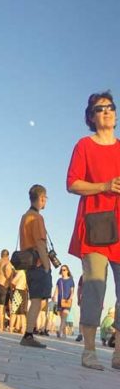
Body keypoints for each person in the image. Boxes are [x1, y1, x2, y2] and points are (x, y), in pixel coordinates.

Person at [67, 90, 120, 370]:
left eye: (110, 107)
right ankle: (89, 351)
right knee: (96, 288)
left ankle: (118, 354)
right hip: (96, 225)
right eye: (100, 109)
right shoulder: (84, 146)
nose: (107, 112)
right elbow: (72, 183)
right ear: (91, 117)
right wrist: (104, 186)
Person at [16, 184, 54, 347]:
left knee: (35, 299)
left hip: (28, 263)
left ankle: (29, 333)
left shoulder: (25, 216)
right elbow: (40, 242)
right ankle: (28, 335)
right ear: (42, 197)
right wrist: (46, 265)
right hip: (38, 262)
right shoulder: (37, 218)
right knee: (38, 300)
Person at [54, 265, 75, 338]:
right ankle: (64, 334)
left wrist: (70, 298)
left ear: (67, 271)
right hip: (60, 301)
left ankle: (59, 332)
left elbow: (72, 291)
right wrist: (54, 297)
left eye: (64, 270)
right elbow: (56, 290)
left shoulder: (71, 280)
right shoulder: (59, 280)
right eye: (62, 270)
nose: (63, 271)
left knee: (64, 317)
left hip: (67, 301)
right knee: (62, 318)